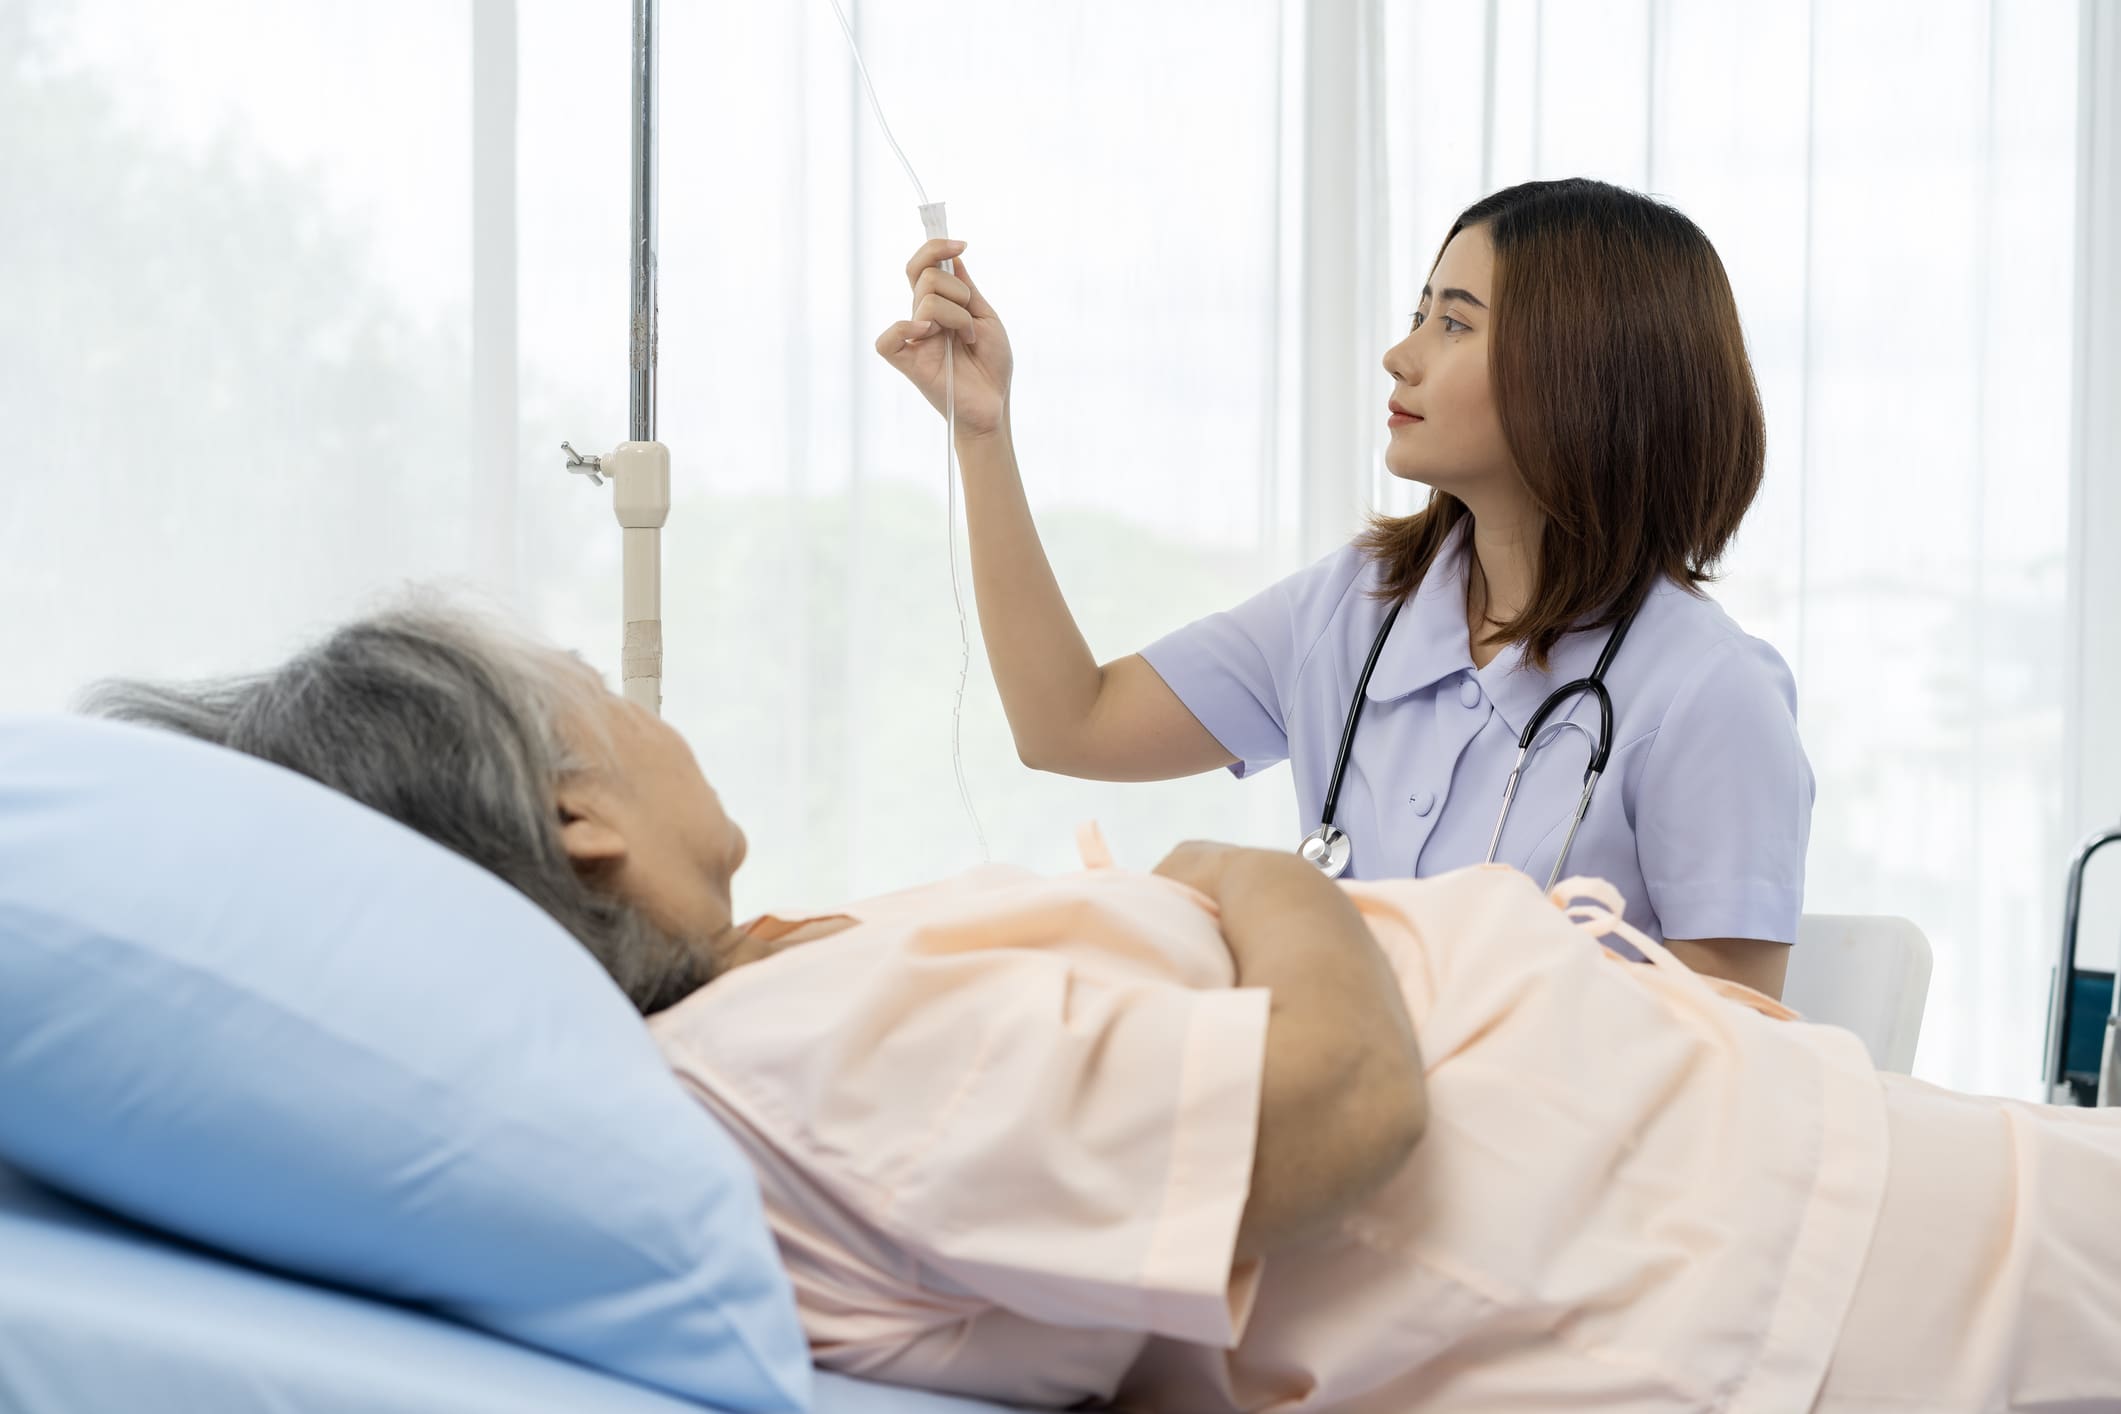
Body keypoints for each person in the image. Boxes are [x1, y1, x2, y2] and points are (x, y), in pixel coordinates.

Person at [88, 604, 2121, 1412]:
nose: (650, 689)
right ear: (575, 815)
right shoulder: (780, 1066)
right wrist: (1245, 880)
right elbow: (1331, 1113)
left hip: (1759, 1189)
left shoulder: (772, 1008)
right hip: (1770, 1264)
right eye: (594, 678)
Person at [877, 177, 1810, 998]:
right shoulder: (1355, 610)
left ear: (1583, 372)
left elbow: (1732, 1059)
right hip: (1355, 1135)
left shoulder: (1707, 692)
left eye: (1453, 322)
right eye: (1419, 315)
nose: (1399, 357)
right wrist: (982, 434)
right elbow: (1066, 723)